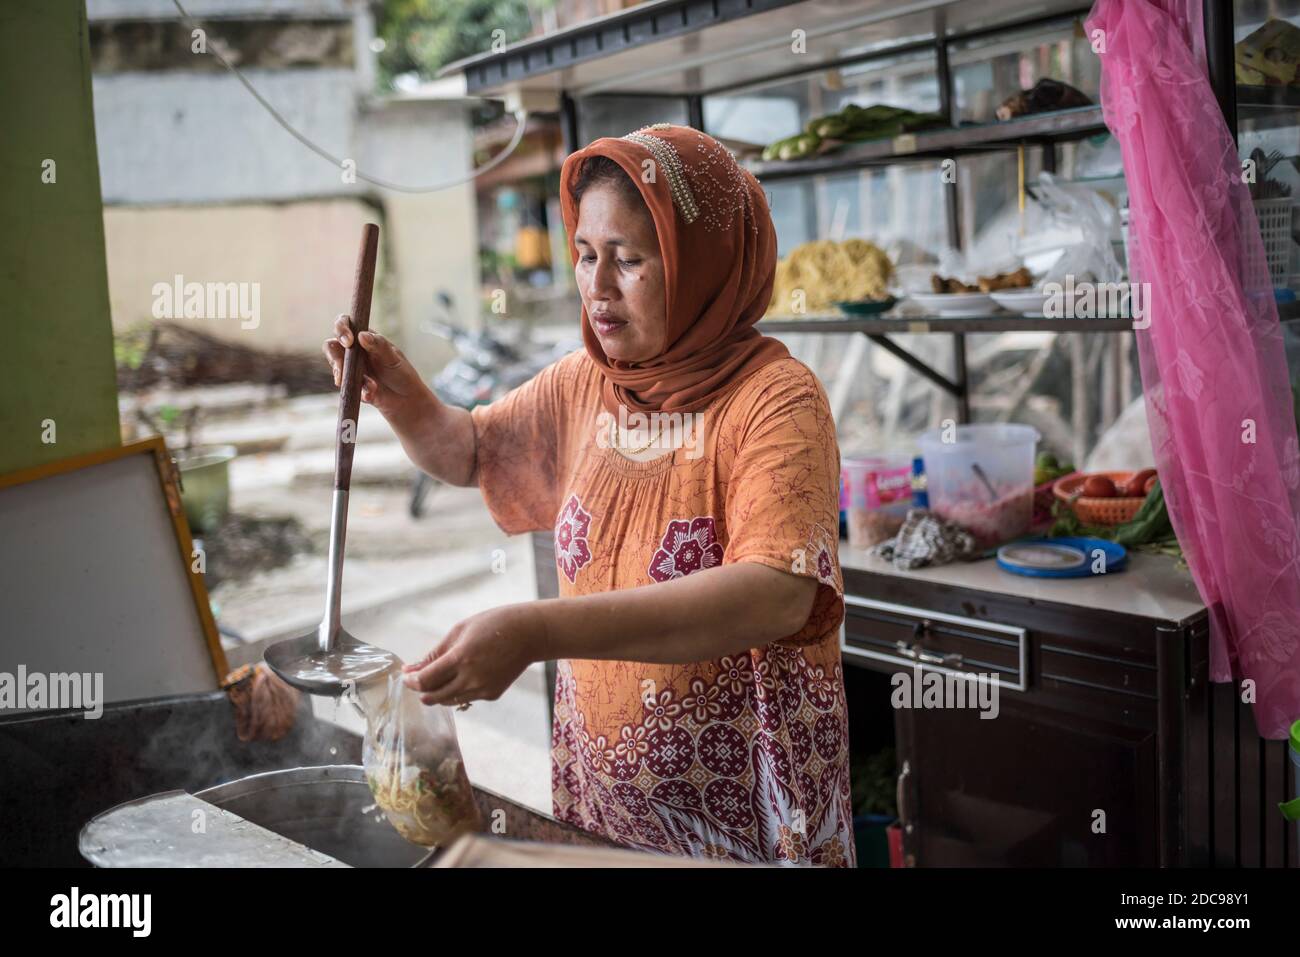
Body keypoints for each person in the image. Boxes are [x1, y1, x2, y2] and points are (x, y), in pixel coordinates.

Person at [323, 124, 853, 866]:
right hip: (606, 810)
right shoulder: (586, 384)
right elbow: (472, 450)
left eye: (630, 260)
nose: (597, 287)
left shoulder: (775, 399)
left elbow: (776, 594)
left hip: (747, 824)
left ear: (700, 267)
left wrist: (535, 631)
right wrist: (401, 394)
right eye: (585, 254)